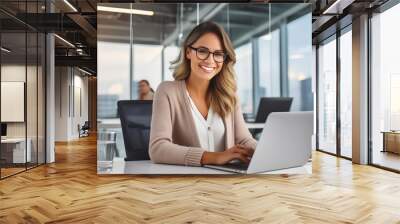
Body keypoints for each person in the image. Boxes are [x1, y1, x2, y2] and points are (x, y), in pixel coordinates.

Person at [149, 21, 256, 166]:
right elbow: (158, 148)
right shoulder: (167, 91)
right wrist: (214, 157)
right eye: (203, 51)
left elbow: (244, 140)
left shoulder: (229, 95)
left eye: (218, 54)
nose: (210, 60)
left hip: (226, 183)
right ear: (188, 52)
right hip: (185, 184)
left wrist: (265, 151)